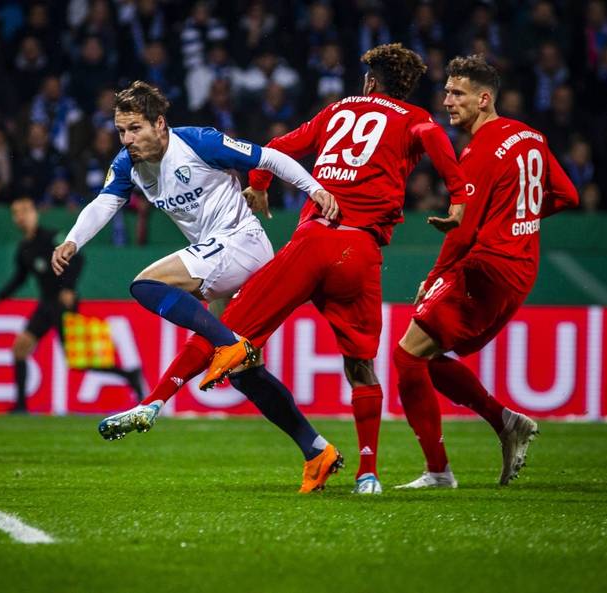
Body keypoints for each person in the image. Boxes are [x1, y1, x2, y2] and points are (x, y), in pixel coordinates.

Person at [100, 46, 469, 494]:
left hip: (312, 241)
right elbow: (435, 139)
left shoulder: (338, 109)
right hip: (360, 249)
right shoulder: (415, 117)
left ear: (369, 81)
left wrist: (258, 189)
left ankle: (154, 403)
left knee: (228, 334)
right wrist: (458, 195)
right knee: (360, 365)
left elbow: (275, 149)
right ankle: (366, 472)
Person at [52, 81, 342, 489]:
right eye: (121, 130)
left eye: (135, 129)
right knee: (243, 373)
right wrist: (72, 239)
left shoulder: (199, 142)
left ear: (160, 123)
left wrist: (315, 189)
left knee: (146, 284)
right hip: (218, 256)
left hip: (242, 243)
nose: (127, 140)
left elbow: (269, 157)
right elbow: (105, 202)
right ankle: (316, 450)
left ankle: (218, 351)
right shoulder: (128, 164)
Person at [392, 55, 578, 489]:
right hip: (520, 270)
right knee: (426, 359)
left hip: (487, 267)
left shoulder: (478, 150)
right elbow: (566, 195)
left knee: (405, 356)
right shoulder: (532, 136)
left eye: (457, 94)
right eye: (446, 92)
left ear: (484, 98)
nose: (447, 101)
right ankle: (505, 421)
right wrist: (517, 218)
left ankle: (439, 471)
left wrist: (434, 278)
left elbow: (461, 232)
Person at [0, 196, 144, 413]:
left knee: (77, 361)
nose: (20, 217)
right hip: (45, 304)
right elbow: (19, 278)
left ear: (35, 213)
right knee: (19, 349)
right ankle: (21, 406)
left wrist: (69, 288)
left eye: (24, 211)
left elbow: (77, 259)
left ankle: (130, 375)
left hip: (63, 304)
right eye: (16, 213)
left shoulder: (52, 238)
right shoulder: (25, 248)